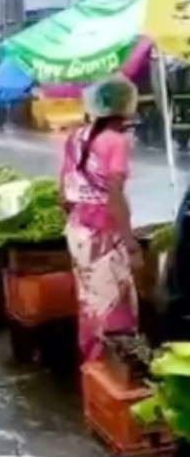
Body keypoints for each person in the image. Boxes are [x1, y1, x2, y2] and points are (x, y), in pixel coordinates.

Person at [60, 75, 141, 361]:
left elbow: (64, 193)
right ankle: (114, 366)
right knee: (115, 304)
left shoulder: (75, 136)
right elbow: (115, 197)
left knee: (90, 299)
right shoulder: (115, 141)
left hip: (78, 229)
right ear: (126, 106)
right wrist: (131, 246)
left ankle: (91, 363)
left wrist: (79, 221)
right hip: (103, 230)